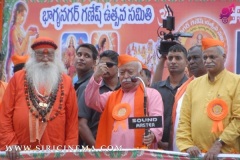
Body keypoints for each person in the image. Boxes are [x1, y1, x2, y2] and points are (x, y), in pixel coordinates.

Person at [0, 37, 78, 158]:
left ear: (55, 57)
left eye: (50, 55)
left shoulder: (66, 82)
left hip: (55, 152)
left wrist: (69, 152)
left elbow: (72, 121)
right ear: (33, 56)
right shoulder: (17, 78)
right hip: (19, 152)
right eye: (40, 54)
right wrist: (10, 143)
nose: (45, 58)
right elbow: (5, 115)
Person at [176, 38, 240, 158]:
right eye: (205, 58)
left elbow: (238, 119)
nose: (208, 61)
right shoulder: (193, 85)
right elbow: (184, 120)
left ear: (224, 57)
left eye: (212, 57)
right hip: (197, 154)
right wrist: (188, 145)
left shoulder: (237, 82)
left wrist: (219, 144)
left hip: (226, 153)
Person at [84, 54, 163, 148]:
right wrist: (96, 77)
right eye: (121, 73)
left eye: (130, 72)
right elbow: (91, 101)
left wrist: (152, 134)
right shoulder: (111, 96)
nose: (125, 76)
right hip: (112, 155)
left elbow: (156, 119)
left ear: (140, 74)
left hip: (141, 154)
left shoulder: (151, 94)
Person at [79, 50, 120, 147]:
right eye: (101, 65)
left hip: (121, 147)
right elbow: (81, 124)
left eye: (109, 65)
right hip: (95, 147)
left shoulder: (126, 89)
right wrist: (97, 149)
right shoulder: (88, 88)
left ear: (119, 67)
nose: (104, 68)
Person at [151, 44, 188, 150]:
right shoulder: (157, 87)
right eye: (170, 58)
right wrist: (156, 138)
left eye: (178, 58)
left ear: (186, 62)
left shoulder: (192, 86)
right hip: (157, 144)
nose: (173, 61)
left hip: (183, 145)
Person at [170, 45, 207, 151]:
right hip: (180, 150)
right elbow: (175, 121)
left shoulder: (216, 85)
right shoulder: (183, 88)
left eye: (195, 58)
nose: (191, 62)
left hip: (204, 151)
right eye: (189, 59)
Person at [6, 1, 38, 81]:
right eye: (22, 15)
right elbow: (19, 52)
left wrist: (30, 36)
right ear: (17, 13)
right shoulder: (13, 30)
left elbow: (25, 52)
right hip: (14, 66)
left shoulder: (21, 29)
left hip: (22, 66)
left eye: (25, 16)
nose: (23, 19)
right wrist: (27, 35)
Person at [74, 43, 98, 146]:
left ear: (94, 63)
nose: (81, 58)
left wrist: (97, 152)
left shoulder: (88, 85)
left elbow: (81, 125)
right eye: (79, 54)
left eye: (86, 56)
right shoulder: (79, 83)